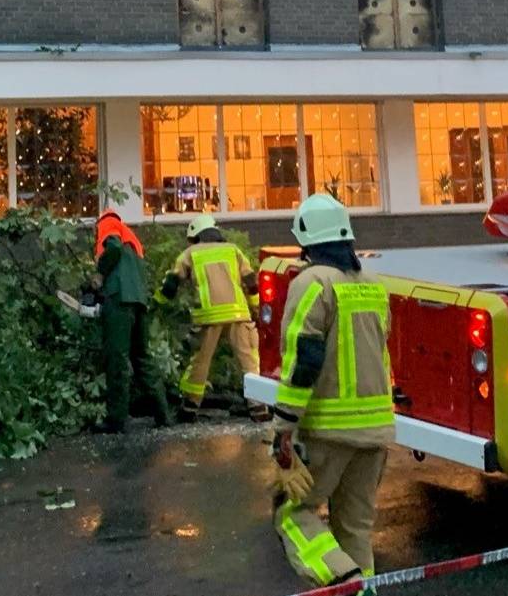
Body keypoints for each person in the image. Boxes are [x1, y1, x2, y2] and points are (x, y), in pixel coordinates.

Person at [271, 194, 392, 586]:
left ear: (305, 240)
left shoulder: (311, 282)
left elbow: (303, 361)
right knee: (354, 528)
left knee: (292, 513)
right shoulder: (373, 285)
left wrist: (283, 431)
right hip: (376, 432)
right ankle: (362, 587)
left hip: (328, 431)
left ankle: (343, 582)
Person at [160, 215, 268, 423]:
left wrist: (159, 303)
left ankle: (190, 407)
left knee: (200, 361)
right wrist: (255, 306)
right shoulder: (232, 250)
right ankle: (259, 407)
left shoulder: (189, 254)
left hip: (209, 315)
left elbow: (172, 282)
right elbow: (250, 280)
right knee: (249, 360)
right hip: (238, 312)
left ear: (195, 236)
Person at [92, 209, 170, 433]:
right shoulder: (133, 237)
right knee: (141, 356)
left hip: (119, 297)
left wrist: (100, 273)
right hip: (139, 299)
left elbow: (113, 247)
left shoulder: (108, 223)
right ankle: (163, 413)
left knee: (117, 357)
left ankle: (115, 419)